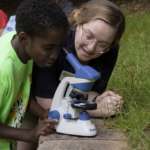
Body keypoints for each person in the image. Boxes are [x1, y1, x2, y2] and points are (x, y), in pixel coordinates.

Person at [32, 0, 125, 118]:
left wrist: (101, 100)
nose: (91, 48)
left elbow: (90, 91)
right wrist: (95, 110)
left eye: (102, 45)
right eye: (88, 36)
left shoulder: (110, 50)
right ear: (78, 22)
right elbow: (46, 102)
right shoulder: (55, 41)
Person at [0, 0, 69, 149]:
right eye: (49, 48)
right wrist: (29, 134)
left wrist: (43, 113)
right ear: (24, 39)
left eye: (58, 47)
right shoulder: (3, 70)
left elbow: (19, 92)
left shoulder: (24, 49)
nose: (55, 55)